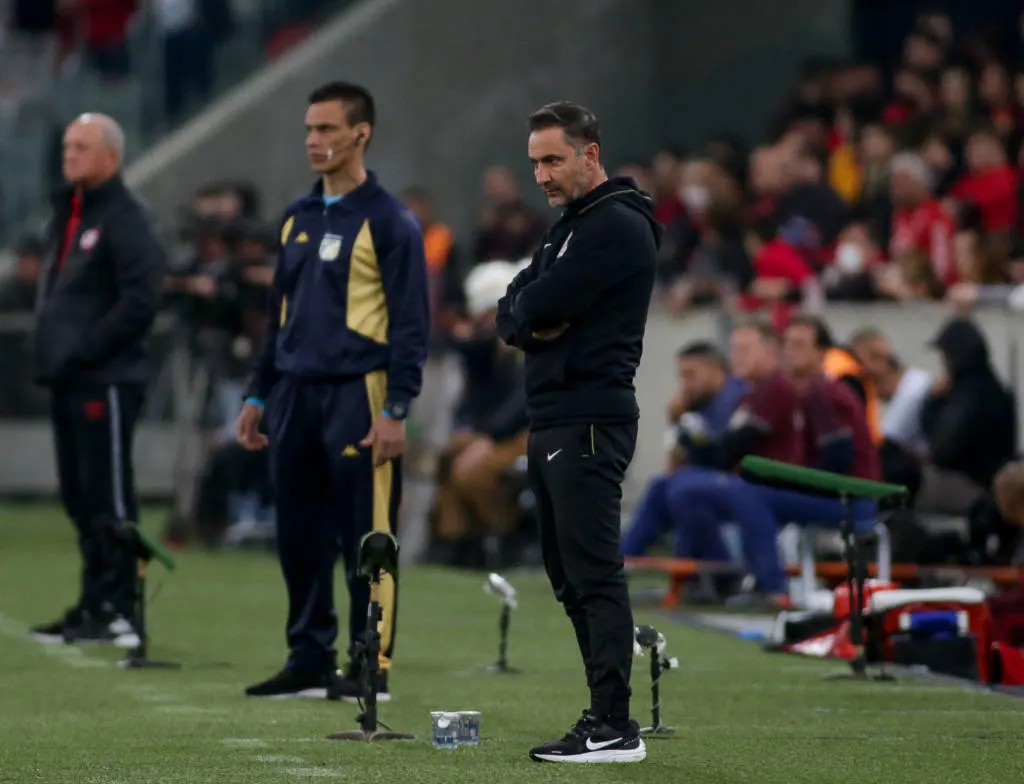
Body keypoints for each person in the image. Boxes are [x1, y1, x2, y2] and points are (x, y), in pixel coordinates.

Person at [236, 82, 429, 701]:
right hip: (294, 393)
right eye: (308, 130)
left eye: (325, 129)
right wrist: (257, 393)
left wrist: (397, 408)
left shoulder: (390, 221)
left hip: (360, 392)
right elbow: (278, 316)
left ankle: (370, 663)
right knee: (298, 534)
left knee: (366, 537)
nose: (314, 141)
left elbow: (411, 325)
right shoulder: (296, 217)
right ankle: (308, 656)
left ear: (360, 133)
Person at [496, 101, 658, 763]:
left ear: (591, 154)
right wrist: (531, 319)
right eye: (534, 162)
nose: (541, 175)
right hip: (557, 415)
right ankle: (606, 715)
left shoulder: (615, 226)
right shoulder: (571, 226)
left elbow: (538, 304)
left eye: (553, 159)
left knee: (594, 574)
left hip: (588, 415)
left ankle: (614, 724)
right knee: (569, 577)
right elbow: (513, 309)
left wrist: (532, 317)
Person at [30, 113, 166, 646]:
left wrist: (86, 350)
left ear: (111, 157)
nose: (70, 155)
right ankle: (94, 602)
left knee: (109, 495)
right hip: (71, 379)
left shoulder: (126, 218)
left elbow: (142, 298)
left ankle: (123, 608)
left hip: (105, 379)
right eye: (67, 146)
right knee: (81, 498)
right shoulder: (70, 212)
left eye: (82, 147)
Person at [620, 341, 747, 558]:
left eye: (690, 374)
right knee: (664, 485)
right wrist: (675, 422)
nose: (684, 384)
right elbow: (673, 466)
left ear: (715, 369)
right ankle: (622, 559)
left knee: (683, 490)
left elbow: (725, 456)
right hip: (703, 485)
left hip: (738, 484)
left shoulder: (737, 398)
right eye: (681, 376)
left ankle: (720, 573)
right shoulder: (694, 406)